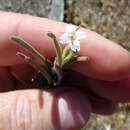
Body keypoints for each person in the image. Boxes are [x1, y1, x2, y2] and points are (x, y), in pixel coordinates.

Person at [0, 11, 130, 130]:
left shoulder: (70, 44)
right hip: (49, 79)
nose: (72, 38)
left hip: (55, 79)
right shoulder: (65, 43)